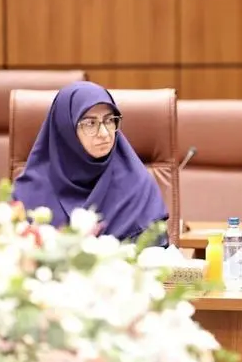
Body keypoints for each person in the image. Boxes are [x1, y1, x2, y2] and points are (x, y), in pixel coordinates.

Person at [13, 81, 169, 245]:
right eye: (90, 123)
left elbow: (155, 254)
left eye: (109, 120)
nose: (104, 133)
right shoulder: (28, 192)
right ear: (66, 129)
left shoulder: (138, 186)